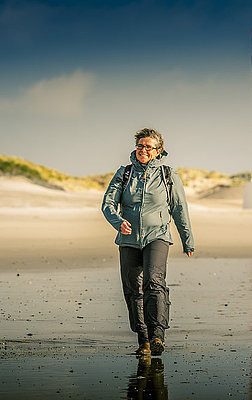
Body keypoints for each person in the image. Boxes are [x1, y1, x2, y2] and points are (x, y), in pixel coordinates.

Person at [101, 128, 194, 356]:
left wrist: (187, 240)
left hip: (157, 236)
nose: (143, 150)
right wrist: (118, 221)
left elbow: (179, 209)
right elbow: (108, 204)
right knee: (133, 289)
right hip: (128, 238)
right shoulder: (124, 174)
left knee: (154, 282)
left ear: (158, 151)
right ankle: (142, 338)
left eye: (148, 147)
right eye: (140, 146)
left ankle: (157, 336)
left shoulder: (168, 175)